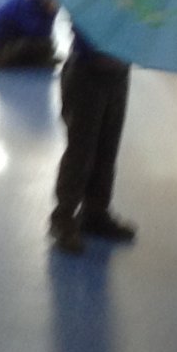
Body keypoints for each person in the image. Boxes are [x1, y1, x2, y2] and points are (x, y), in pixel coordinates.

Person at [49, 23, 138, 255]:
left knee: (107, 148)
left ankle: (95, 213)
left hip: (118, 73)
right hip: (86, 72)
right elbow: (84, 27)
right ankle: (63, 217)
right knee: (81, 150)